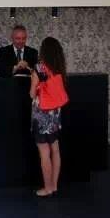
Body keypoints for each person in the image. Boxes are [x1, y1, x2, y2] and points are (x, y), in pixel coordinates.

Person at [29, 37, 69, 197]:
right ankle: (54, 185)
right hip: (55, 114)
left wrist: (36, 86)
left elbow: (32, 94)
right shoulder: (59, 67)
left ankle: (47, 188)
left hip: (41, 115)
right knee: (55, 149)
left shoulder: (39, 68)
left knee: (44, 153)